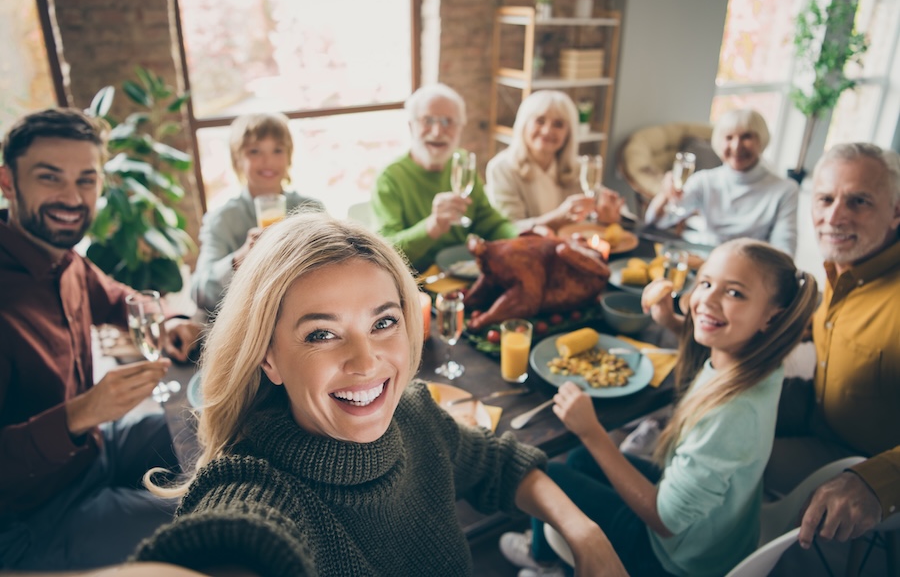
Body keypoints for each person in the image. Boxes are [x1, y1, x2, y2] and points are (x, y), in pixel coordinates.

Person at [133, 213, 627, 577]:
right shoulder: (259, 488)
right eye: (321, 334)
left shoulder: (413, 415)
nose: (366, 361)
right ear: (268, 357)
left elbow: (497, 463)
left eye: (383, 322)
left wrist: (584, 532)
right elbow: (221, 551)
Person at [501, 238, 818, 577]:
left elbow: (665, 521)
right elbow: (716, 347)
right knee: (579, 458)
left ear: (772, 317)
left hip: (672, 559)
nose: (707, 299)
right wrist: (672, 321)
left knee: (546, 473)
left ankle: (544, 561)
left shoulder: (733, 414)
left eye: (735, 293)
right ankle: (549, 548)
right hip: (718, 532)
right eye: (707, 282)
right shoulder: (760, 363)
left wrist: (592, 431)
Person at [0, 108, 203, 570]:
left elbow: (120, 298)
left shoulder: (65, 258)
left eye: (86, 180)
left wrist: (169, 319)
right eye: (50, 178)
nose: (72, 197)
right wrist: (81, 413)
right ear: (8, 182)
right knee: (217, 515)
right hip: (33, 518)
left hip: (96, 449)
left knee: (212, 421)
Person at [764, 143, 900, 551]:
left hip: (862, 456)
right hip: (818, 411)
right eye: (825, 199)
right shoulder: (844, 267)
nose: (834, 217)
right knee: (709, 419)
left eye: (858, 201)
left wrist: (877, 482)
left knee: (727, 462)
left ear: (896, 211)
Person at [371, 83, 518, 272]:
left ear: (460, 128)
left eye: (448, 122)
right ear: (411, 126)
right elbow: (384, 252)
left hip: (462, 272)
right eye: (428, 121)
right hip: (416, 283)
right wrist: (432, 226)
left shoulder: (462, 163)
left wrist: (520, 238)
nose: (438, 132)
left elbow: (488, 221)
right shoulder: (390, 178)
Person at [190, 112, 324, 315]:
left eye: (277, 150)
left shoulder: (311, 209)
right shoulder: (222, 219)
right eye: (255, 151)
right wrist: (239, 259)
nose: (268, 161)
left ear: (289, 157)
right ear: (238, 160)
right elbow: (200, 295)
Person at [644, 108, 799, 255]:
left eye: (746, 137)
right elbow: (657, 221)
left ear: (762, 140)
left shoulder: (785, 190)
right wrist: (666, 194)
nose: (737, 146)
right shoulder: (704, 181)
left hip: (752, 268)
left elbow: (784, 252)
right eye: (729, 137)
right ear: (719, 142)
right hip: (705, 261)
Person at [486, 90, 623, 232]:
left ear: (568, 133)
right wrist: (556, 219)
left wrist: (610, 216)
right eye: (540, 121)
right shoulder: (502, 168)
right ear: (523, 124)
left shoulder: (579, 168)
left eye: (558, 124)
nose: (547, 131)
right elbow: (509, 228)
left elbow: (611, 208)